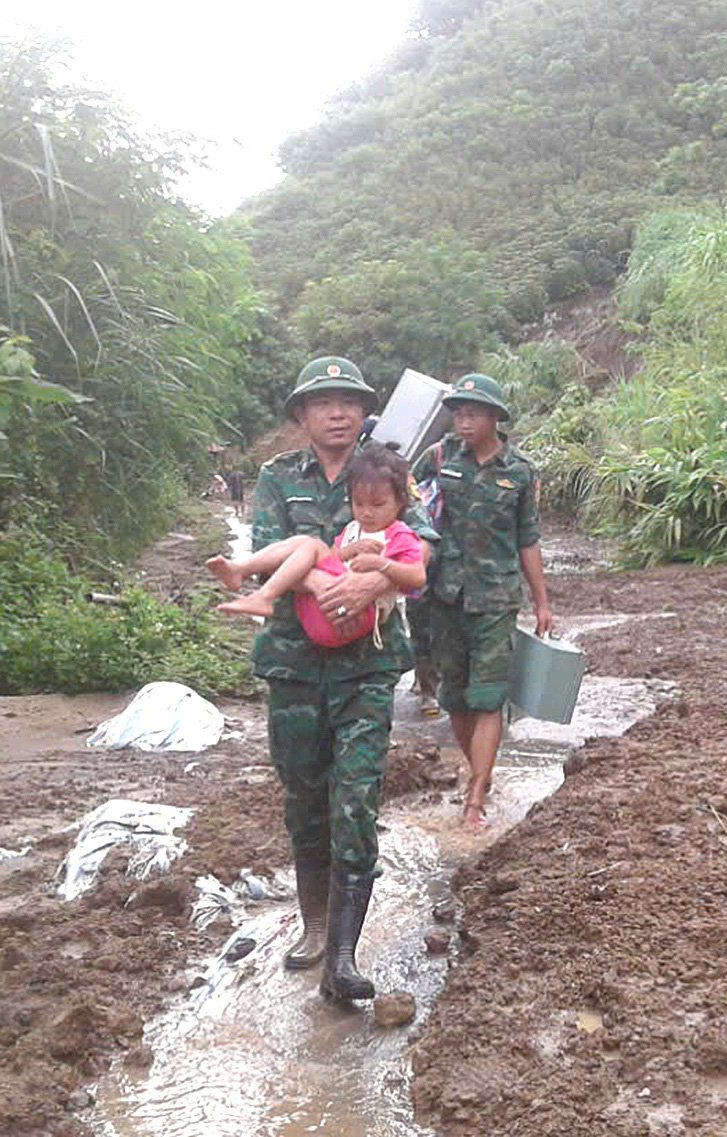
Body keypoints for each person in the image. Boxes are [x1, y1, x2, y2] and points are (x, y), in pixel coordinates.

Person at [238, 357, 435, 1004]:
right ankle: (314, 924)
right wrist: (334, 582)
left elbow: (422, 544)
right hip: (293, 664)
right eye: (322, 401)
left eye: (348, 399)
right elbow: (269, 544)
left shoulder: (382, 470)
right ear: (302, 414)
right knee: (304, 798)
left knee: (356, 798)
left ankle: (343, 956)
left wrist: (375, 579)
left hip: (366, 668)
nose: (338, 411)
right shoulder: (276, 478)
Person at [412, 373, 553, 832]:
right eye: (457, 412)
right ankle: (479, 771)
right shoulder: (437, 458)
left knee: (488, 697)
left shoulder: (519, 471)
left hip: (495, 598)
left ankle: (476, 795)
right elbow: (405, 505)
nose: (463, 420)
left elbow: (528, 539)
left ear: (495, 416)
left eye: (473, 412)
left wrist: (542, 603)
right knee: (456, 697)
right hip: (445, 596)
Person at [207, 445, 426, 642]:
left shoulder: (399, 534)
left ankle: (261, 592)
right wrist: (349, 551)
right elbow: (331, 557)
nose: (367, 512)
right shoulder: (353, 528)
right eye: (358, 504)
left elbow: (417, 577)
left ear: (401, 502)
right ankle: (242, 573)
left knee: (310, 545)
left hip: (359, 615)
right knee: (308, 545)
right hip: (324, 611)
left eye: (378, 505)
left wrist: (381, 567)